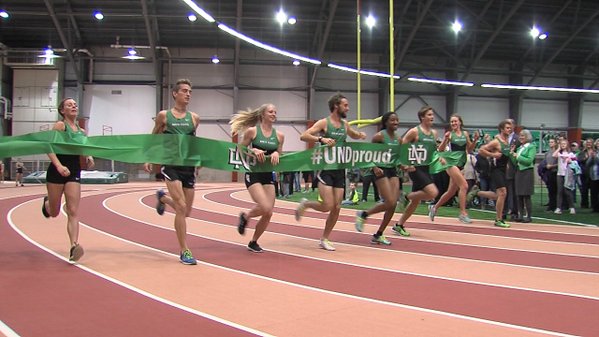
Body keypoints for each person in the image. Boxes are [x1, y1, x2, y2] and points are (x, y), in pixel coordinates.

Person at [295, 93, 366, 251]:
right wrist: (322, 140)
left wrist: (360, 135)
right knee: (327, 205)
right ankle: (305, 204)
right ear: (336, 106)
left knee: (337, 207)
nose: (348, 108)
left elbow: (353, 134)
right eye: (345, 105)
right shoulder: (324, 123)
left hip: (340, 169)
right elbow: (303, 136)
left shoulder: (345, 124)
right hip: (326, 169)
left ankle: (324, 238)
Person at [144, 79, 200, 265]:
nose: (188, 94)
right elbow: (154, 138)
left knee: (186, 211)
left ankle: (163, 199)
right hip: (171, 165)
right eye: (184, 91)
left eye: (190, 91)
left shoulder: (194, 118)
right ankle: (185, 250)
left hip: (188, 167)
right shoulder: (164, 116)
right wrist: (149, 159)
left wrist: (198, 160)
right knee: (182, 207)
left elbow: (193, 142)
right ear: (175, 94)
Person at [41, 98, 95, 262]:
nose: (73, 106)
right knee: (55, 212)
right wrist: (58, 166)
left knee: (72, 210)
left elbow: (83, 147)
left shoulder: (82, 131)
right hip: (57, 171)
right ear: (62, 111)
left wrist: (89, 156)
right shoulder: (60, 126)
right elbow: (48, 146)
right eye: (69, 105)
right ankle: (47, 204)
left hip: (73, 172)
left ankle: (74, 246)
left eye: (75, 104)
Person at [231, 103, 284, 253]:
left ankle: (253, 241)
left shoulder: (279, 136)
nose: (274, 114)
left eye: (275, 112)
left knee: (268, 212)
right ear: (262, 115)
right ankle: (247, 216)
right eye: (271, 112)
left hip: (269, 175)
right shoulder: (252, 132)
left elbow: (280, 155)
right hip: (254, 174)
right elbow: (239, 149)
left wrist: (276, 154)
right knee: (265, 207)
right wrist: (253, 150)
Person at [391, 106, 440, 237]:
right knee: (432, 193)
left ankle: (399, 225)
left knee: (416, 201)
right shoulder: (414, 131)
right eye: (429, 115)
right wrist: (405, 164)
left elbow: (434, 150)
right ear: (422, 117)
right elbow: (402, 146)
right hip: (415, 168)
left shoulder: (434, 133)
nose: (432, 117)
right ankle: (406, 196)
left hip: (426, 167)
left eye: (432, 114)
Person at [355, 111, 402, 245]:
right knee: (390, 202)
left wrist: (404, 165)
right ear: (386, 122)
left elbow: (399, 156)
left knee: (392, 205)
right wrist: (375, 167)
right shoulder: (379, 137)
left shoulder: (399, 139)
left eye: (397, 120)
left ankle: (378, 234)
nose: (395, 122)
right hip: (380, 171)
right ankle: (363, 214)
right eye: (392, 120)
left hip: (392, 170)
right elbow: (369, 154)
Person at [428, 114, 478, 224]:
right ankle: (463, 213)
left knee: (451, 191)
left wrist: (475, 140)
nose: (454, 123)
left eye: (455, 121)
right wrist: (445, 140)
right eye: (452, 122)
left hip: (460, 163)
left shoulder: (465, 134)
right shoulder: (449, 134)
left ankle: (434, 208)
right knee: (464, 186)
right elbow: (440, 150)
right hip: (450, 163)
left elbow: (469, 150)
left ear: (460, 122)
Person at [467, 120, 513, 228]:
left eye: (510, 128)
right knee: (503, 193)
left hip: (502, 170)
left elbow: (504, 156)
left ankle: (477, 192)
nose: (509, 129)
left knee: (498, 195)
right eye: (507, 128)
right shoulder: (496, 141)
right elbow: (481, 150)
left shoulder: (507, 141)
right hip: (495, 170)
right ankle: (498, 219)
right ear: (502, 129)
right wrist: (493, 155)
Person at [511, 129, 536, 223]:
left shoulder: (531, 147)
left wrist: (517, 156)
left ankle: (529, 216)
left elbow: (529, 161)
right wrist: (512, 154)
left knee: (526, 195)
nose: (521, 138)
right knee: (519, 195)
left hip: (527, 172)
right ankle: (520, 215)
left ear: (527, 137)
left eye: (523, 136)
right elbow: (515, 162)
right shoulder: (519, 148)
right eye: (520, 136)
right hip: (519, 171)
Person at [553, 139, 576, 215]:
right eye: (561, 144)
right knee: (559, 191)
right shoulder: (559, 153)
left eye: (564, 144)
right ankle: (558, 207)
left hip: (568, 174)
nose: (563, 145)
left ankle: (571, 207)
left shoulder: (571, 153)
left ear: (567, 145)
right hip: (560, 174)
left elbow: (575, 162)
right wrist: (558, 148)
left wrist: (570, 161)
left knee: (567, 191)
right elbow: (554, 155)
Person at [543, 138, 559, 212]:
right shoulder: (547, 153)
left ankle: (555, 205)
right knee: (550, 190)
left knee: (555, 190)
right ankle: (551, 205)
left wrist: (552, 166)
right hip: (548, 172)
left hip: (555, 172)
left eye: (552, 142)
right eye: (549, 142)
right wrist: (546, 166)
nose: (550, 143)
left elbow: (560, 163)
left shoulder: (557, 152)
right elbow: (545, 161)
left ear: (555, 143)